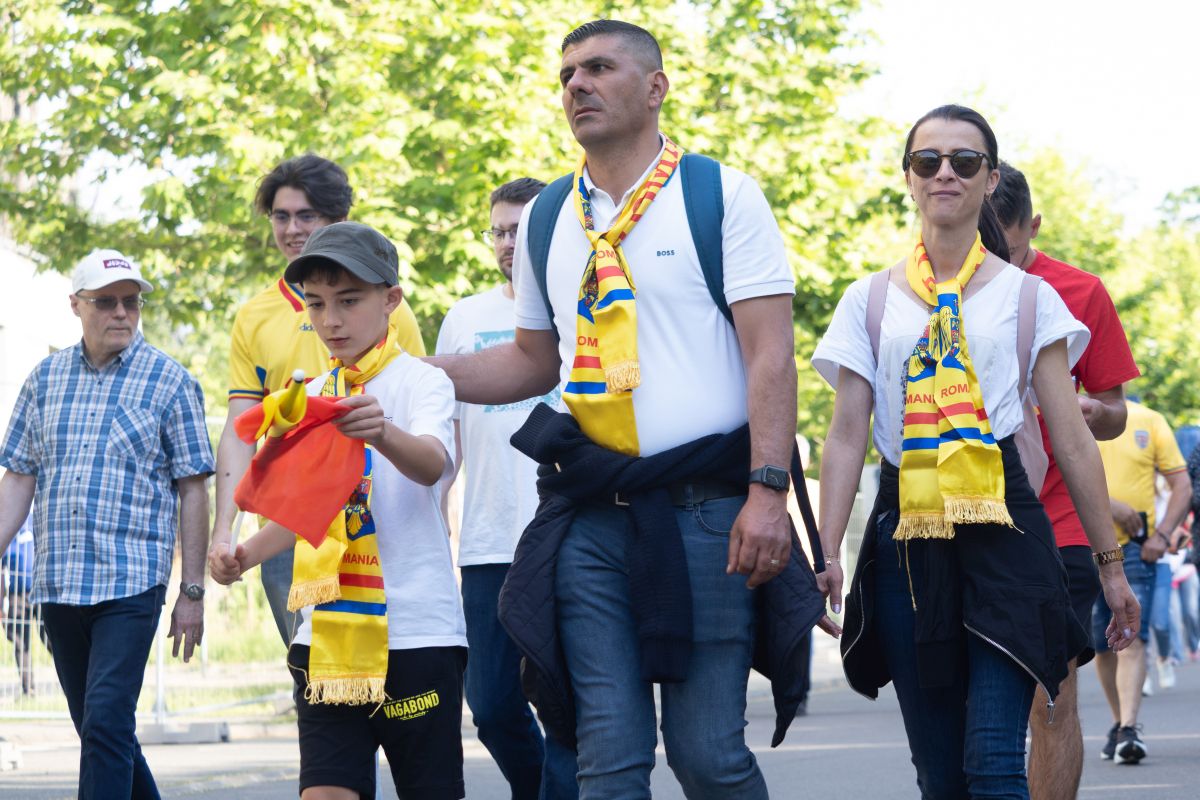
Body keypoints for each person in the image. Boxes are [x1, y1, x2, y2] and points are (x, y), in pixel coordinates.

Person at [428, 19, 827, 799]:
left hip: (712, 513)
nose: (576, 84)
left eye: (599, 67)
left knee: (707, 755)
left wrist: (768, 492)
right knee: (606, 759)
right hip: (591, 515)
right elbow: (530, 361)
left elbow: (770, 357)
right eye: (568, 73)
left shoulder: (721, 195)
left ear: (655, 88)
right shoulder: (548, 215)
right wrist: (409, 375)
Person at [813, 104, 1140, 799]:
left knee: (993, 760)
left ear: (990, 179)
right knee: (939, 771)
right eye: (928, 161)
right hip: (907, 529)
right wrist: (825, 553)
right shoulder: (867, 300)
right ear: (908, 177)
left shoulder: (1031, 298)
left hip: (1005, 527)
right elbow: (846, 436)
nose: (946, 174)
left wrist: (1111, 569)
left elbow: (1075, 443)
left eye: (965, 162)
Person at [210, 221, 466, 800]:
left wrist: (383, 432)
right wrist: (242, 554)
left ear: (391, 300)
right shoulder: (310, 395)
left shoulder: (423, 382)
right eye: (318, 305)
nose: (331, 320)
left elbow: (433, 467)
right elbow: (306, 511)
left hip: (416, 638)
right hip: (323, 639)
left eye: (349, 301)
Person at [0, 249, 214, 799]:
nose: (122, 313)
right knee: (103, 730)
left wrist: (192, 592)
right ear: (76, 305)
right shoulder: (43, 380)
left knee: (104, 723)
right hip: (59, 584)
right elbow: (19, 480)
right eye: (106, 302)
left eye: (131, 302)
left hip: (130, 583)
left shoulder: (171, 382)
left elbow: (194, 488)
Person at [211, 154, 426, 648]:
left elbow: (417, 412)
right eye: (281, 216)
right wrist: (226, 530)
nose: (292, 229)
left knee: (386, 664)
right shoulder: (253, 316)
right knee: (309, 674)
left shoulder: (391, 308)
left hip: (370, 520)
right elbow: (240, 430)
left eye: (307, 215)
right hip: (287, 525)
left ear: (339, 220)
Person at [991, 161, 1140, 799]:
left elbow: (1114, 413)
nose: (995, 260)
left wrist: (1089, 411)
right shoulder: (923, 285)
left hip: (1059, 517)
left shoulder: (1079, 291)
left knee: (1050, 692)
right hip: (954, 511)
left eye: (1011, 246)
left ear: (1035, 227)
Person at [435, 177, 578, 799]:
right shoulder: (466, 318)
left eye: (522, 229)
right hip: (489, 546)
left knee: (568, 711)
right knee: (491, 705)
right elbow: (444, 447)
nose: (508, 242)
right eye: (499, 230)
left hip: (572, 538)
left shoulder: (589, 305)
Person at [1091, 395, 1191, 764]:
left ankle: (1129, 728)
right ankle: (1120, 725)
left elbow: (1181, 485)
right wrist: (1109, 504)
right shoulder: (1065, 412)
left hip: (1133, 547)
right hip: (1080, 541)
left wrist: (1162, 535)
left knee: (1131, 636)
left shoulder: (1149, 420)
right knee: (1101, 645)